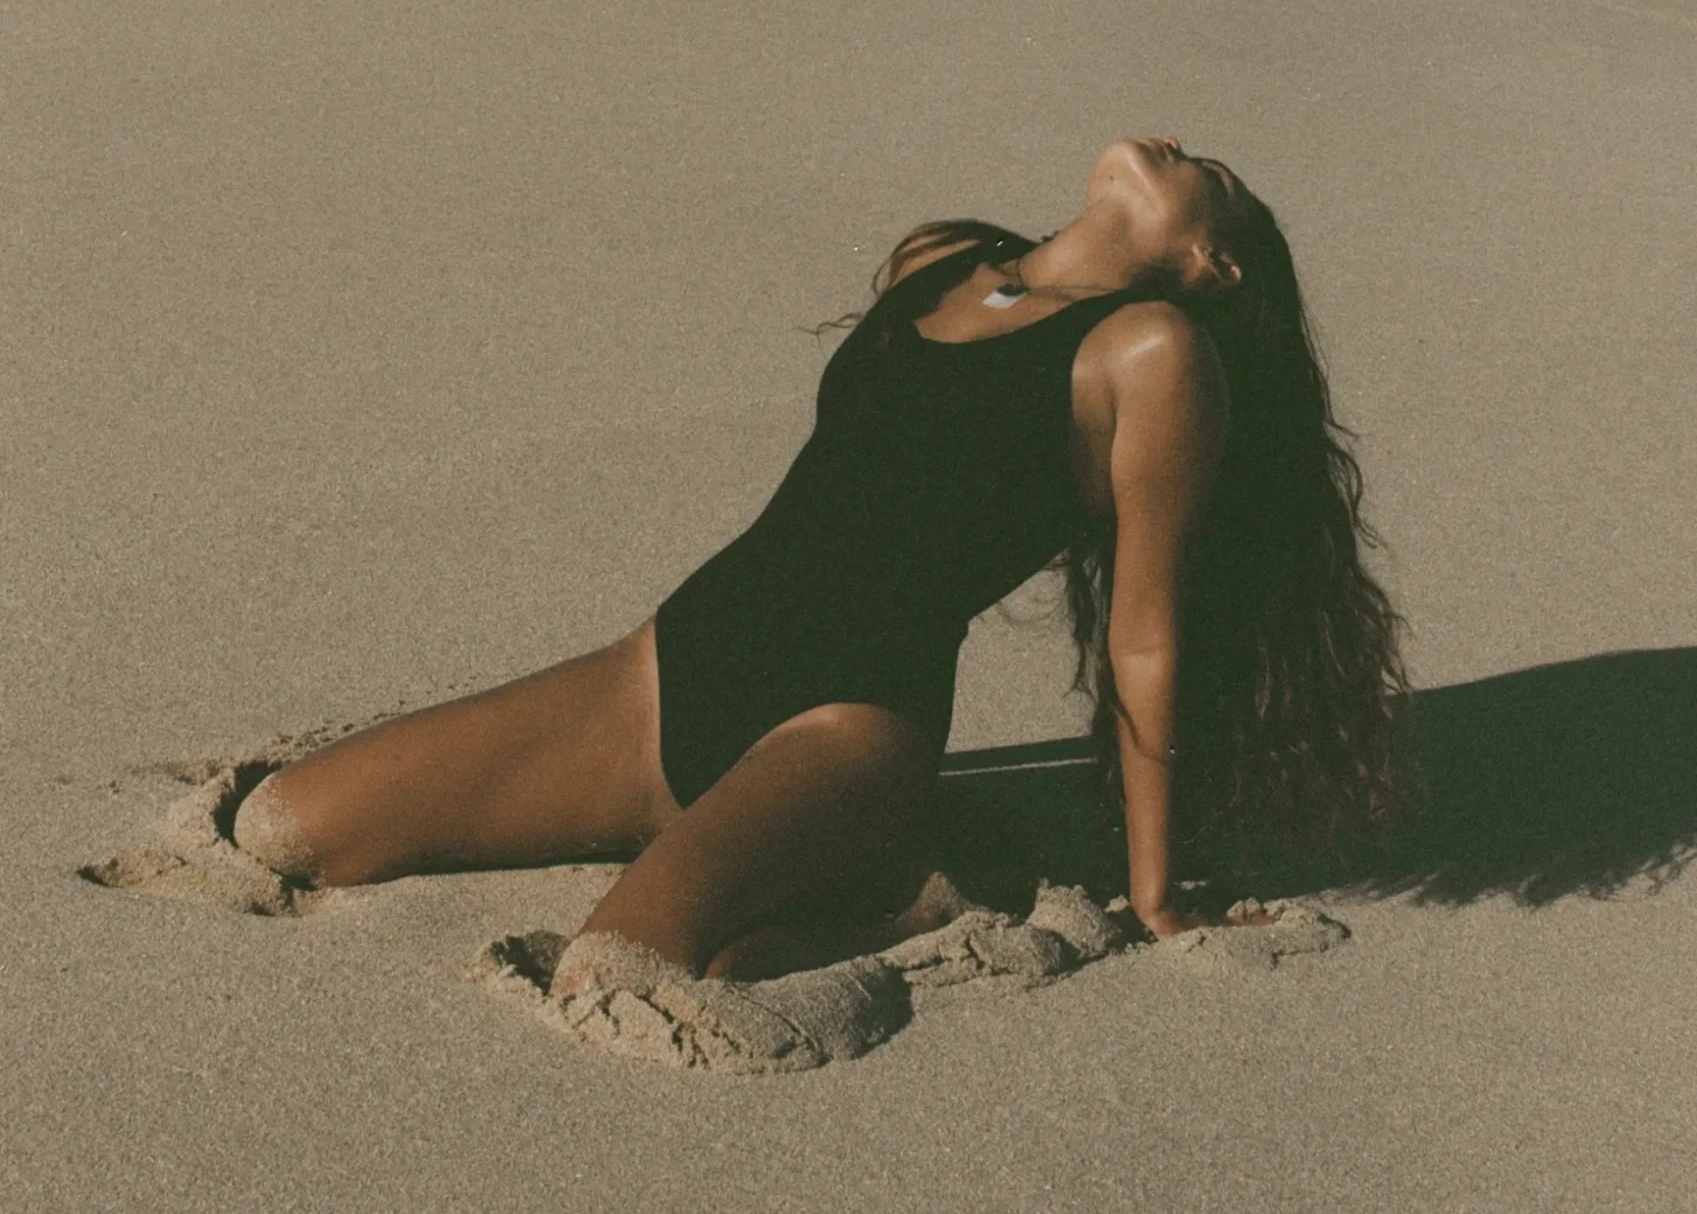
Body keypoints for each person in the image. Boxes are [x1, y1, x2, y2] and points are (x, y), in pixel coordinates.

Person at [232, 135, 1405, 981]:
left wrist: (1149, 893)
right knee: (283, 828)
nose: (1174, 144)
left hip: (845, 724)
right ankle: (736, 840)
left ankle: (906, 902)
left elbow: (1143, 627)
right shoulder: (940, 256)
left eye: (1211, 172)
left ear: (1213, 263)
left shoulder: (1147, 353)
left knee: (618, 967)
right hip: (668, 666)